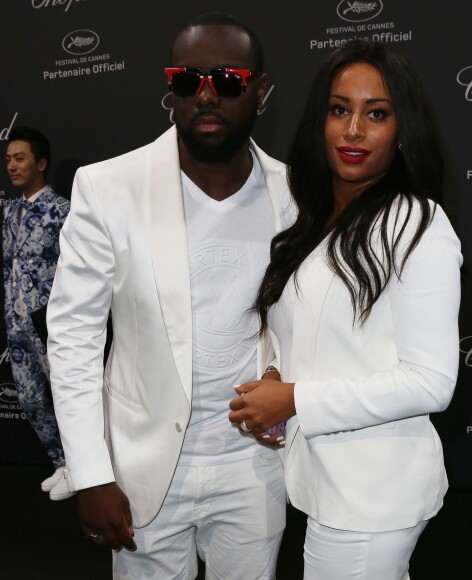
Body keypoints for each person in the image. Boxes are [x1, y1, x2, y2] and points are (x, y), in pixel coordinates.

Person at [47, 13, 292, 580]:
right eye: (187, 80)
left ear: (260, 90)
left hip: (255, 465)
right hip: (144, 466)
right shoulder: (108, 187)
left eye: (227, 80)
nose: (206, 95)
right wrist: (90, 473)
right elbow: (74, 339)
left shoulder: (293, 191)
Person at [229, 40, 462, 579]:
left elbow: (432, 382)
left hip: (374, 494)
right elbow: (306, 330)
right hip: (327, 481)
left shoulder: (417, 225)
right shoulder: (312, 217)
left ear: (403, 129)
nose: (353, 129)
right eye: (340, 109)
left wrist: (294, 399)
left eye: (376, 114)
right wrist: (274, 373)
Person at [3, 126, 72, 501]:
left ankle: (82, 467)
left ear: (41, 163)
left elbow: (75, 270)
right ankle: (61, 463)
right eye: (8, 159)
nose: (11, 166)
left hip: (49, 326)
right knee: (31, 402)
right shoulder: (10, 211)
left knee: (66, 398)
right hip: (16, 327)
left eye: (20, 158)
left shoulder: (61, 210)